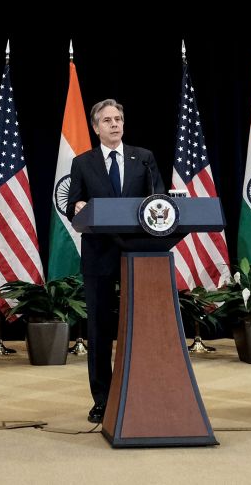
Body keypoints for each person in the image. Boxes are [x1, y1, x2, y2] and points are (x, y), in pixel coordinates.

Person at [66, 99, 165, 424]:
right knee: (99, 329)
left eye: (118, 119)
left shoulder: (144, 158)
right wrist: (77, 207)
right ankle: (103, 399)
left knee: (143, 325)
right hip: (99, 254)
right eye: (107, 120)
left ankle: (142, 391)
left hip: (139, 253)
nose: (114, 124)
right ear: (96, 127)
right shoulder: (83, 163)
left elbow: (159, 201)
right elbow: (72, 204)